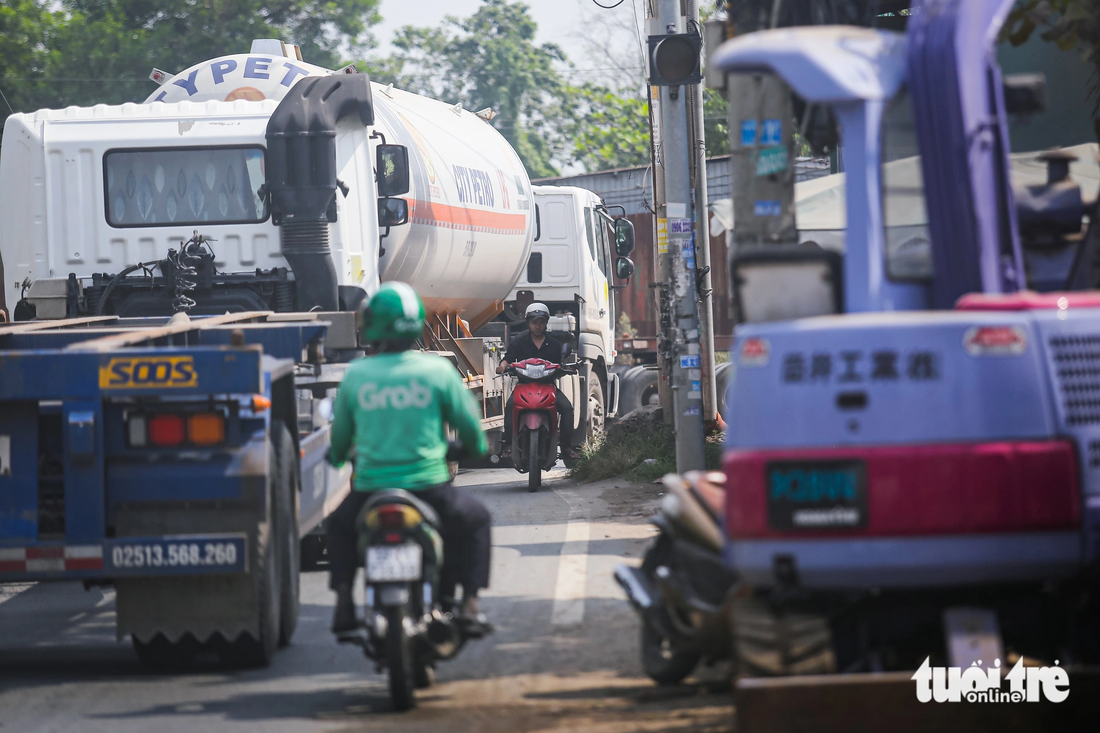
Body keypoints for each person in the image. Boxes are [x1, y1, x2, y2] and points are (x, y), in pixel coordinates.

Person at [326, 281, 491, 635]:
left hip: (371, 489)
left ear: (372, 324)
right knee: (476, 521)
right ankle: (470, 603)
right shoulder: (437, 372)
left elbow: (339, 440)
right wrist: (476, 449)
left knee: (338, 527)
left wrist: (338, 458)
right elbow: (470, 428)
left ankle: (343, 603)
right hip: (428, 487)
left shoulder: (356, 376)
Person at [496, 302, 576, 460]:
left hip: (548, 387)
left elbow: (561, 362)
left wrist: (566, 367)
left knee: (567, 408)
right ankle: (508, 445)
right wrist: (502, 367)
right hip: (523, 386)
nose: (538, 326)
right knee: (510, 406)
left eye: (541, 322)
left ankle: (566, 448)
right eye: (534, 322)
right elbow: (508, 359)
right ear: (528, 323)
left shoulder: (553, 344)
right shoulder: (519, 341)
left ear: (546, 323)